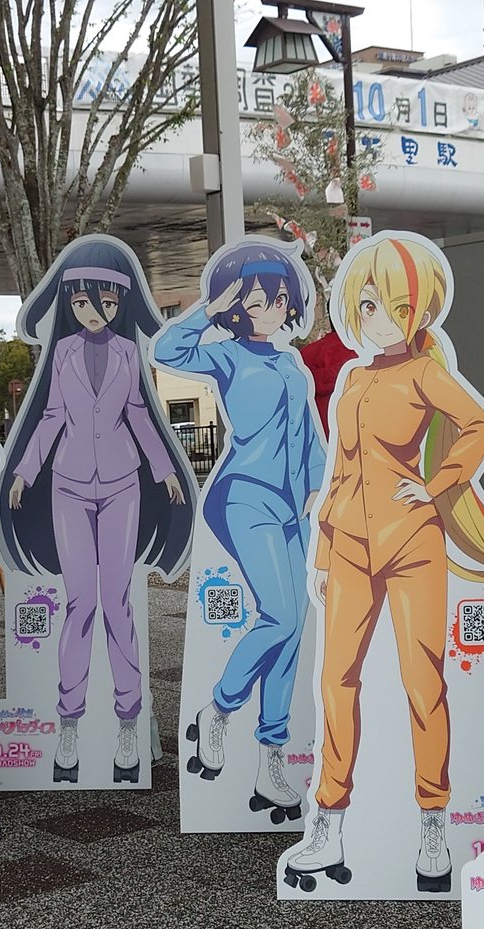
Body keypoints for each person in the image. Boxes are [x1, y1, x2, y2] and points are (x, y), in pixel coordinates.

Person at [284, 233, 484, 895]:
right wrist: (323, 552)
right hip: (349, 545)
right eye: (367, 304)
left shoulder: (424, 373)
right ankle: (328, 820)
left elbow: (480, 426)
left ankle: (433, 820)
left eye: (392, 305)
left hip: (413, 542)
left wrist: (438, 484)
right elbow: (340, 471)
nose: (377, 318)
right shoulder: (354, 379)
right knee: (336, 681)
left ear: (420, 311)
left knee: (423, 682)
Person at [0, 237, 195, 784]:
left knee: (117, 603)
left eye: (105, 302)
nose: (93, 311)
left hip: (124, 483)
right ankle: (69, 722)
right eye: (82, 302)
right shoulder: (61, 352)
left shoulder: (129, 352)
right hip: (67, 485)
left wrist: (165, 469)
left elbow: (139, 413)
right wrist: (25, 471)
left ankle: (128, 720)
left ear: (120, 302)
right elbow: (51, 415)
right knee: (80, 602)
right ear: (70, 303)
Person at [154, 239, 323, 820]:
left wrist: (319, 486)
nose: (267, 309)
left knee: (292, 629)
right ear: (233, 306)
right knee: (280, 616)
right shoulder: (225, 356)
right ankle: (220, 710)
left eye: (276, 299)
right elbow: (168, 350)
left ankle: (270, 761)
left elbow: (308, 434)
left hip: (294, 505)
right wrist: (209, 308)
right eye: (252, 300)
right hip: (244, 496)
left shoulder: (292, 364)